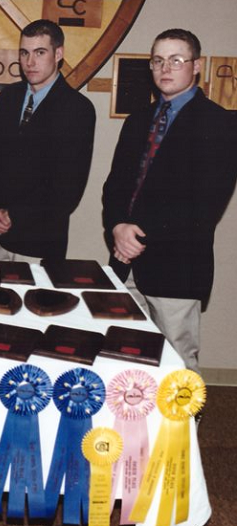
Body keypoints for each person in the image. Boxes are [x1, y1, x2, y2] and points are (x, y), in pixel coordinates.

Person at [103, 29, 237, 373]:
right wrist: (118, 227)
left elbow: (204, 207)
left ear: (197, 66)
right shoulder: (137, 122)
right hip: (125, 263)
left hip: (177, 267)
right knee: (126, 365)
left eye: (176, 60)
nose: (166, 68)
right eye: (158, 60)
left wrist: (137, 238)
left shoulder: (220, 124)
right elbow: (115, 186)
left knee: (177, 372)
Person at [0, 19, 95, 263]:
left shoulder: (78, 108)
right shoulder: (8, 98)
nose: (30, 62)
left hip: (37, 243)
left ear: (58, 54)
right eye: (24, 53)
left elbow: (68, 188)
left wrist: (15, 215)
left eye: (40, 52)